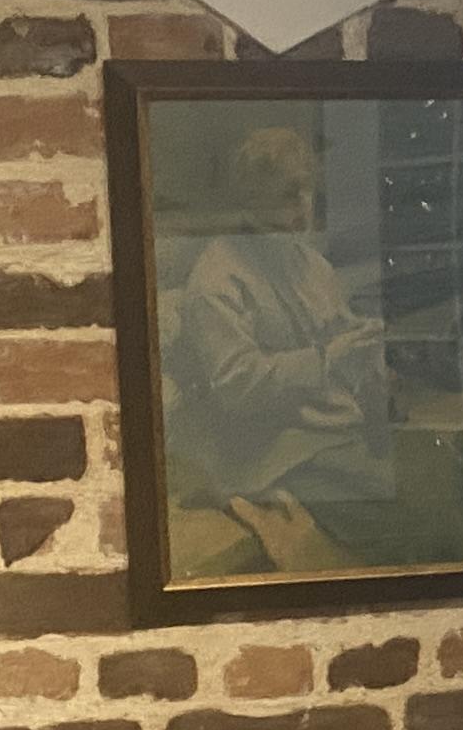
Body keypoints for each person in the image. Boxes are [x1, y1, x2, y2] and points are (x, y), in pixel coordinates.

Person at [167, 123, 403, 571]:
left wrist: (366, 354)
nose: (303, 207)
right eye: (286, 195)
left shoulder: (310, 263)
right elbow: (238, 386)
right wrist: (329, 358)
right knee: (413, 515)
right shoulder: (216, 279)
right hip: (273, 453)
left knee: (436, 476)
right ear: (250, 201)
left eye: (307, 191)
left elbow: (336, 335)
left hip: (333, 430)